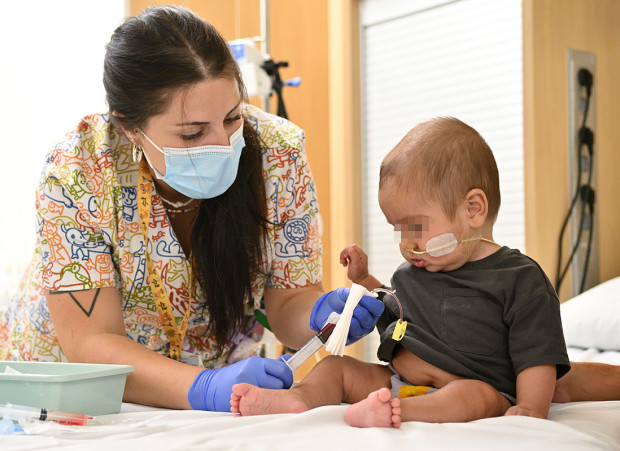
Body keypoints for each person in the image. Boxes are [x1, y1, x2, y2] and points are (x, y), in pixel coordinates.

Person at [0, 5, 384, 412]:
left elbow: (289, 301)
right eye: (193, 132)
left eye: (233, 117)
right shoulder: (79, 171)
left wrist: (319, 314)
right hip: (77, 398)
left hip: (220, 395)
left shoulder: (278, 154)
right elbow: (91, 342)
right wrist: (203, 387)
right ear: (130, 127)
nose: (222, 142)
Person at [231, 116, 580, 427]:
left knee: (472, 396)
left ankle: (398, 412)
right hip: (394, 379)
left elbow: (537, 353)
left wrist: (532, 408)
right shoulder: (415, 272)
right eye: (398, 229)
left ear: (473, 209)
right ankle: (299, 399)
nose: (406, 243)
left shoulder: (519, 278)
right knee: (337, 368)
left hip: (472, 386)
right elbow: (394, 310)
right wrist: (364, 281)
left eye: (415, 227)